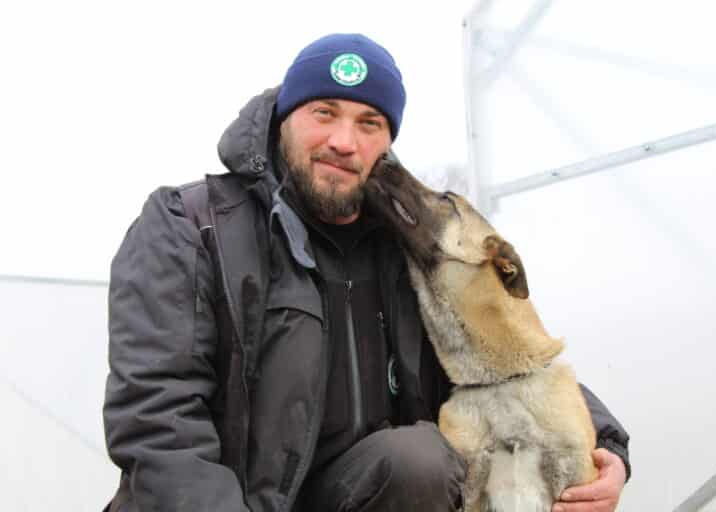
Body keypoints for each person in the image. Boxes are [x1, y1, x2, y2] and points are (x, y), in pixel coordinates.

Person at [103, 33, 630, 512]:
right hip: (219, 503)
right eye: (324, 113)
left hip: (354, 497)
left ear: (387, 141)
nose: (343, 141)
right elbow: (157, 419)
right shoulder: (192, 227)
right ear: (285, 116)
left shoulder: (407, 250)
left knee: (417, 459)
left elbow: (502, 354)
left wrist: (607, 446)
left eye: (368, 123)